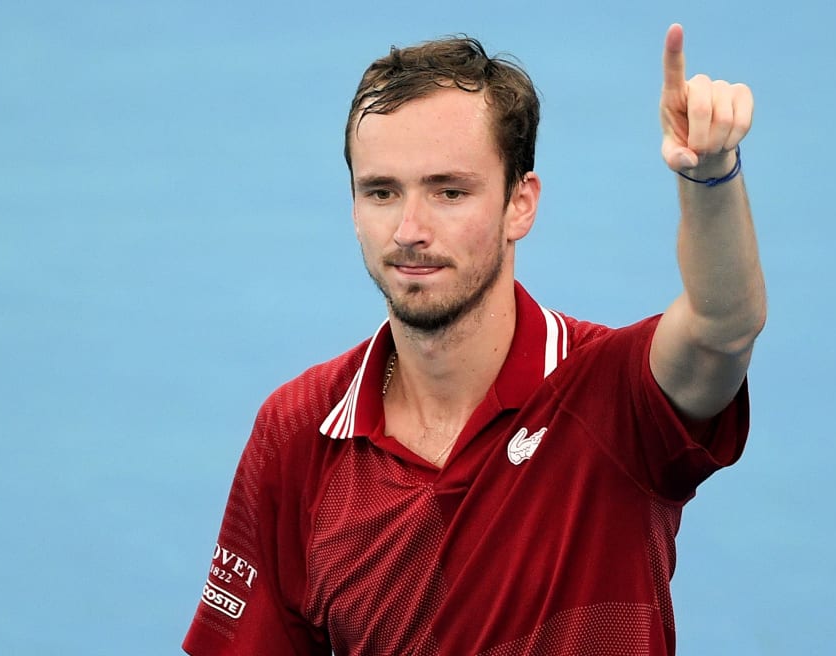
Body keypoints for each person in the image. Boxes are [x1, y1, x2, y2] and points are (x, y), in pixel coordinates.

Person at [184, 22, 765, 656]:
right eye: (381, 192)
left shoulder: (615, 398)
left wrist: (711, 175)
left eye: (449, 192)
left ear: (521, 203)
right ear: (354, 208)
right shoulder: (295, 431)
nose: (409, 229)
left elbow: (723, 329)